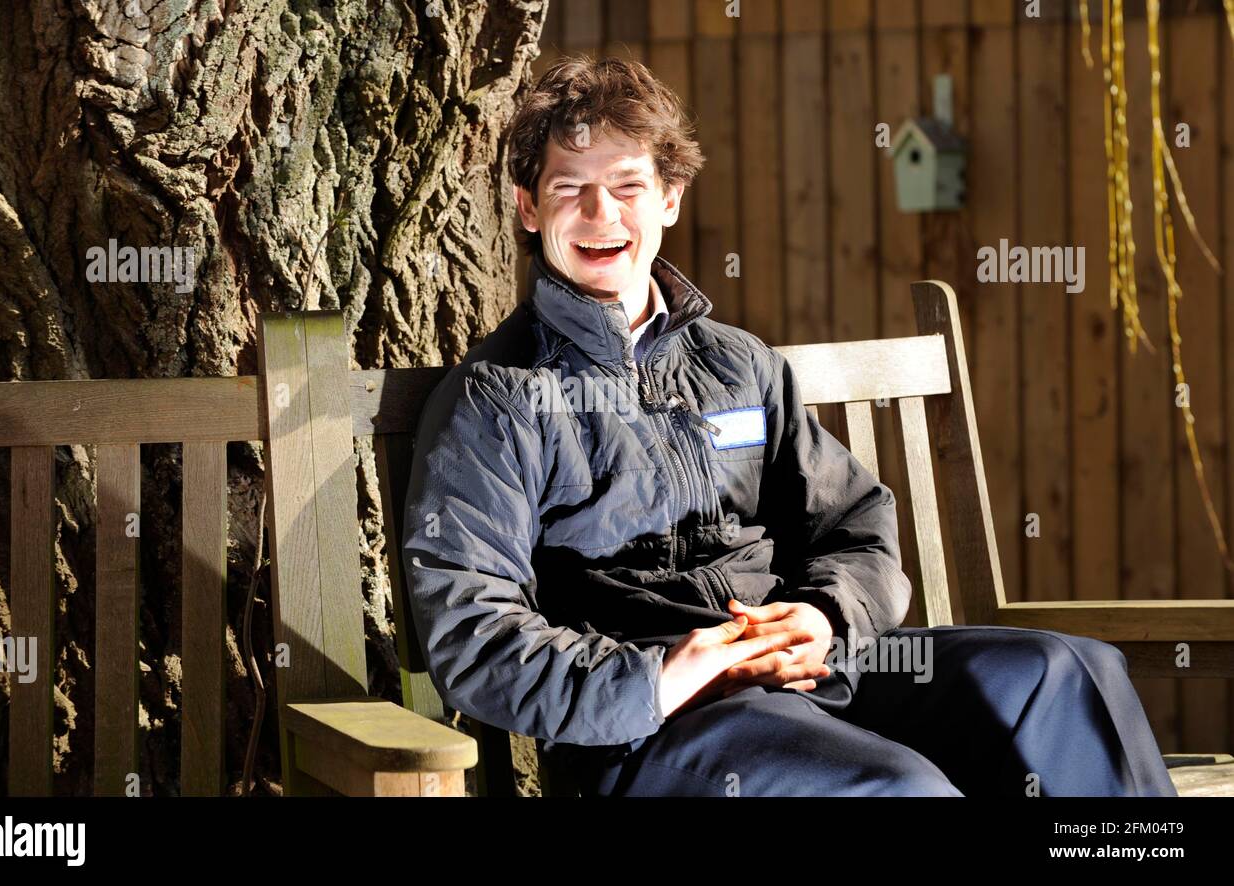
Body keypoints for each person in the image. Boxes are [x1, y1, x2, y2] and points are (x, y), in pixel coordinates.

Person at [400, 55, 1178, 797]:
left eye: (628, 185)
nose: (602, 213)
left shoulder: (741, 364)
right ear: (529, 207)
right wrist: (665, 673)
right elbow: (474, 629)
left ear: (670, 198)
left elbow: (857, 522)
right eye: (571, 188)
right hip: (667, 727)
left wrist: (826, 616)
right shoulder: (496, 401)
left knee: (1064, 674)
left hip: (812, 673)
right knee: (897, 790)